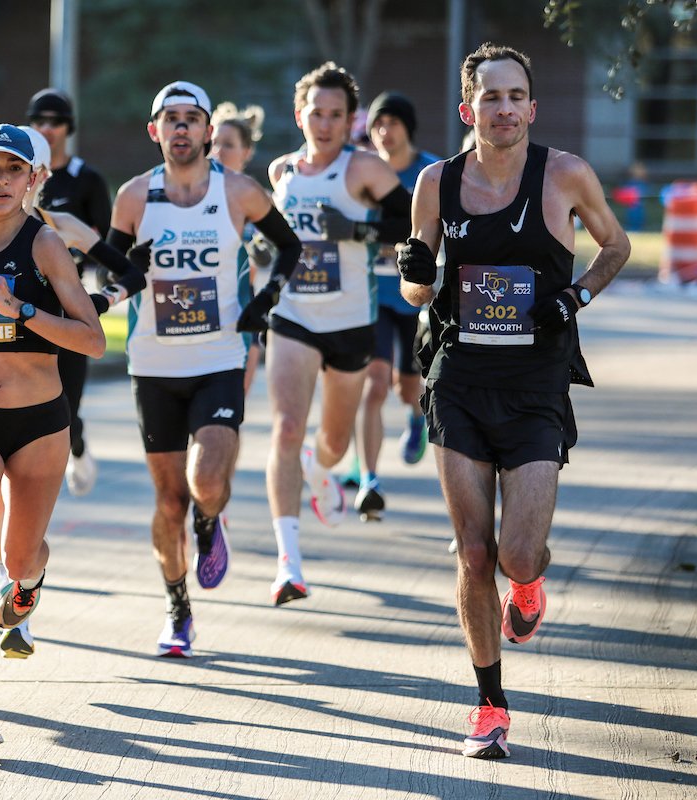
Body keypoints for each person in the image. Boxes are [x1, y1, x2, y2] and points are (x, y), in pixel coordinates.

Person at [398, 43, 629, 759]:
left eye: (515, 97)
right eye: (489, 98)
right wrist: (414, 274)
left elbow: (614, 246)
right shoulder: (436, 182)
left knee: (518, 554)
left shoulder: (564, 174)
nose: (503, 109)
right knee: (473, 554)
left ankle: (527, 587)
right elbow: (417, 289)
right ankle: (489, 708)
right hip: (460, 380)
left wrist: (573, 297)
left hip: (534, 386)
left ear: (532, 106)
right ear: (469, 109)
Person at [0, 126, 146, 661]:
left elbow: (92, 340)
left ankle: (29, 579)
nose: (1, 180)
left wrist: (20, 310)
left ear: (33, 179)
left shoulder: (46, 244)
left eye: (13, 170)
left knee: (19, 557)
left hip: (39, 422)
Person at [111, 81, 302, 657]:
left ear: (206, 130)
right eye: (170, 119)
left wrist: (265, 302)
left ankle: (209, 521)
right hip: (153, 363)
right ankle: (178, 608)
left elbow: (289, 248)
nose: (181, 128)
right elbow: (115, 273)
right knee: (168, 499)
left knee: (206, 483)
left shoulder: (239, 191)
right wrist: (111, 287)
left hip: (220, 356)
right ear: (155, 131)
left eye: (191, 118)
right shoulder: (134, 197)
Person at [240, 63, 410, 605]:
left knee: (334, 446)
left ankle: (319, 469)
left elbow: (409, 223)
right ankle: (289, 562)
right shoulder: (282, 171)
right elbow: (272, 237)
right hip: (292, 317)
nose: (326, 122)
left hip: (351, 326)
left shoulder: (364, 168)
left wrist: (356, 230)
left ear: (350, 119)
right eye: (317, 112)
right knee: (286, 428)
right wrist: (265, 251)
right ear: (300, 115)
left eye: (337, 114)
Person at [342, 92, 442, 521]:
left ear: (408, 128)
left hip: (417, 296)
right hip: (375, 295)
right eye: (378, 124)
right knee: (375, 383)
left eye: (393, 123)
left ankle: (416, 418)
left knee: (407, 388)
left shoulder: (431, 171)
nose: (385, 131)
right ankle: (369, 479)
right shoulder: (362, 170)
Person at [26, 88, 114, 497]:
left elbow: (109, 247)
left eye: (56, 121)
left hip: (69, 305)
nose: (48, 129)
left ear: (69, 128)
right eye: (40, 121)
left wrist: (99, 292)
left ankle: (76, 445)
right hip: (19, 304)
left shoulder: (87, 180)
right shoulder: (13, 172)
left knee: (66, 404)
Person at [210, 101, 272, 396]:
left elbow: (275, 251)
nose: (219, 151)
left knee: (233, 410)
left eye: (228, 144)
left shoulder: (257, 198)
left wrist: (261, 252)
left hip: (243, 307)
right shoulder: (191, 194)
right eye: (214, 143)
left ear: (246, 152)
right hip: (200, 307)